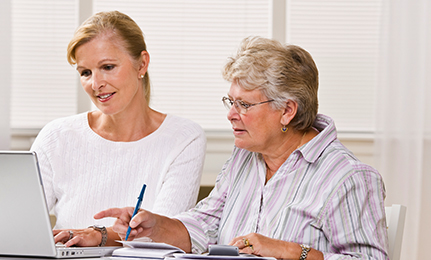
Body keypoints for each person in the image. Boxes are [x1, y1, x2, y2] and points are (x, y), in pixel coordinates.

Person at [96, 36, 389, 259]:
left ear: (287, 110)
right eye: (230, 101)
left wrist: (292, 251)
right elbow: (206, 224)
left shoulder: (349, 177)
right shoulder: (246, 157)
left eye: (244, 104)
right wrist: (156, 226)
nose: (231, 114)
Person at [30, 11, 206, 247]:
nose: (96, 84)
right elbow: (21, 223)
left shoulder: (184, 138)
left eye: (108, 67)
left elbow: (164, 235)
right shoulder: (57, 136)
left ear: (142, 63)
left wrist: (100, 236)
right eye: (85, 72)